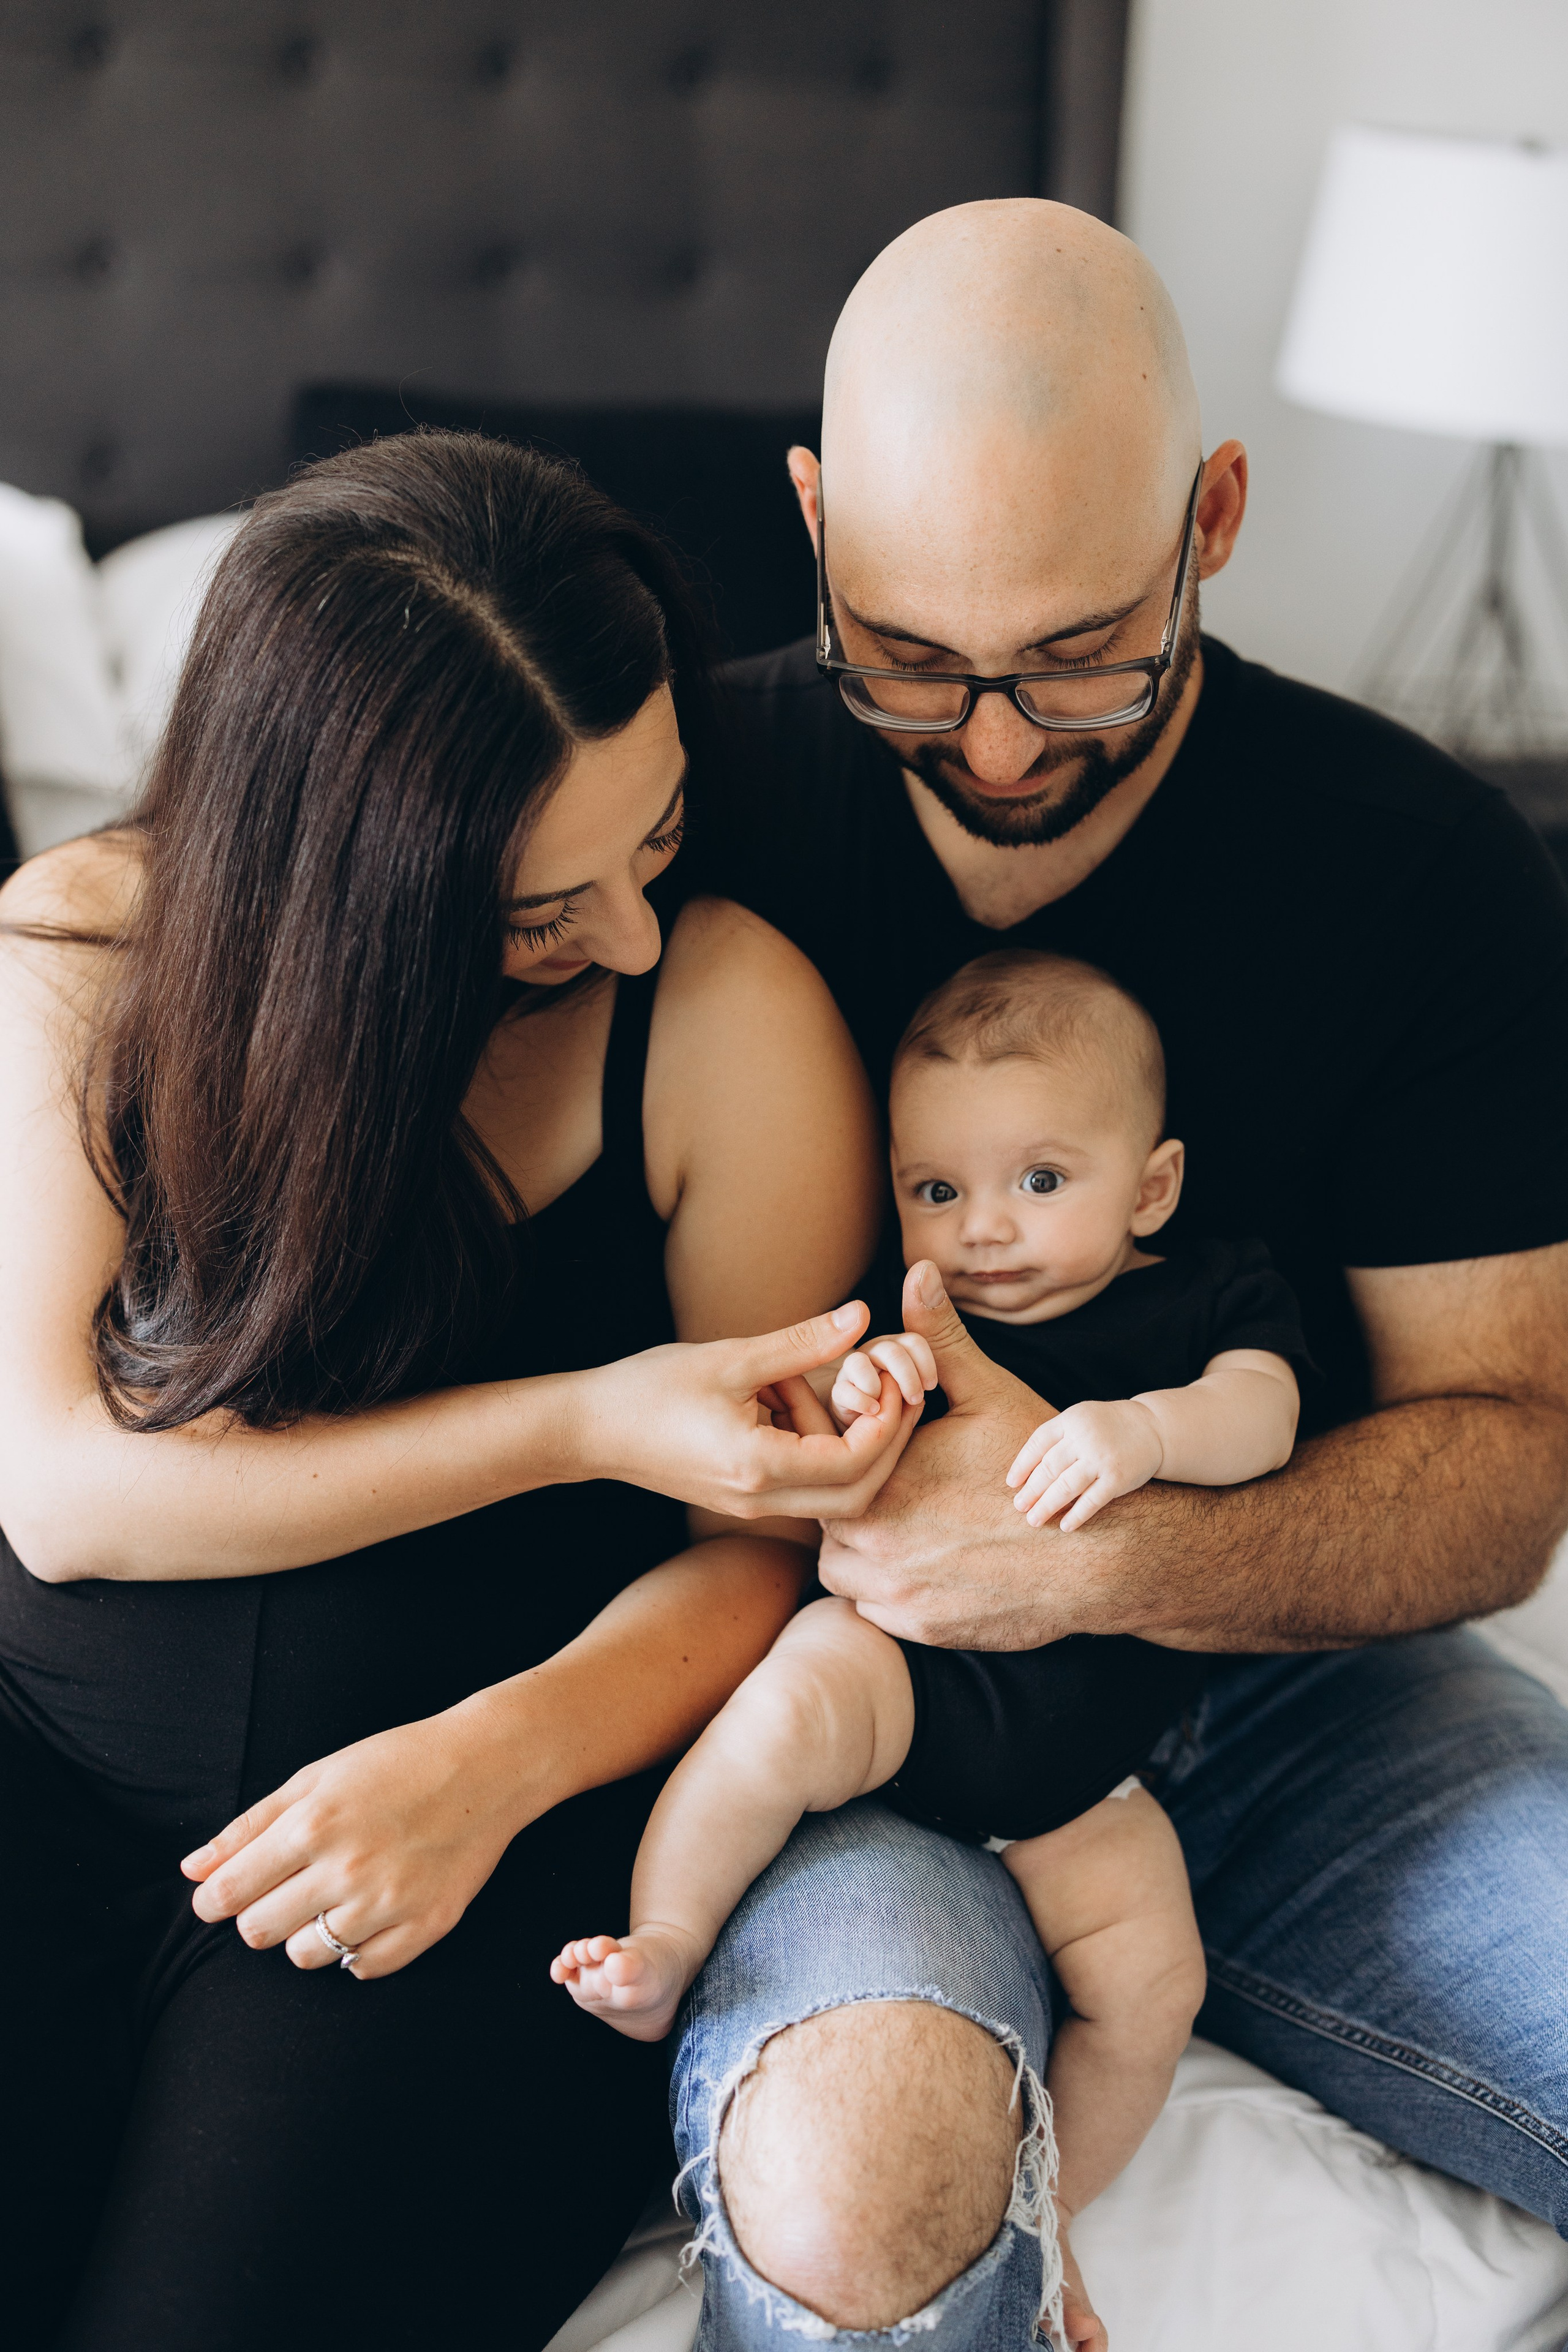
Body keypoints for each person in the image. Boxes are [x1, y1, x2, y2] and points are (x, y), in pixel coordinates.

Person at [666, 200, 1568, 2346]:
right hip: (845, 1727)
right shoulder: (667, 813)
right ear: (812, 520)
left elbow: (1516, 1467)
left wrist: (1090, 1555)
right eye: (908, 654)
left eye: (1083, 653)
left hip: (1295, 1697)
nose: (991, 743)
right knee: (860, 2192)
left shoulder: (1422, 870)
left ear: (1214, 520)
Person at [0, 432, 919, 2351]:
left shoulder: (724, 1023)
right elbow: (65, 1492)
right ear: (336, 888)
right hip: (52, 1773)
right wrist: (583, 1414)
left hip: (464, 1831)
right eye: (532, 907)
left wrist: (487, 1766)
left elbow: (757, 1562)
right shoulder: (89, 958)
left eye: (652, 837)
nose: (630, 935)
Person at [553, 948, 1303, 2351]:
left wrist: (1143, 1435)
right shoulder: (909, 1310)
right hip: (904, 1682)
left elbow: (1260, 1420)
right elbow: (820, 1421)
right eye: (936, 1190)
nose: (982, 1232)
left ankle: (1050, 2214)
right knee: (774, 1719)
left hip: (1077, 1766)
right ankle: (664, 1936)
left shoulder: (1205, 1307)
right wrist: (863, 1385)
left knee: (1151, 1986)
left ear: (1149, 1187)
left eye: (1039, 1182)